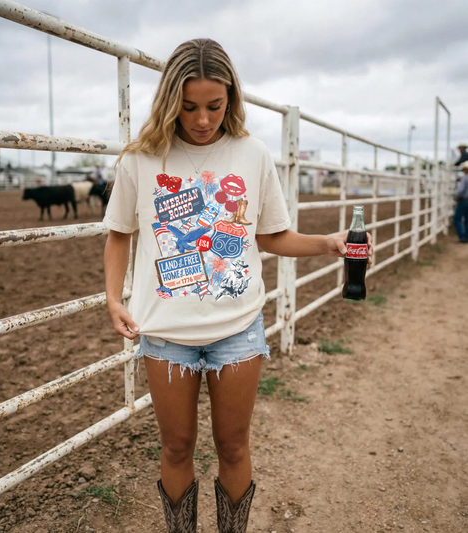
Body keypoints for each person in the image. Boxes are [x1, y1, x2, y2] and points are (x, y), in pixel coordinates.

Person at [102, 38, 373, 533]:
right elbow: (120, 234)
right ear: (169, 102)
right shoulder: (139, 159)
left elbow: (271, 235)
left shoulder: (253, 154)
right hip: (164, 333)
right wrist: (112, 299)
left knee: (233, 445)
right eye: (188, 107)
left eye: (214, 106)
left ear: (231, 99)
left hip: (239, 330)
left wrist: (328, 244)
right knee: (177, 446)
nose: (202, 119)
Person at [453, 161, 468, 243]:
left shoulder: (465, 178)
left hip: (464, 201)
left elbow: (460, 190)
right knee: (467, 220)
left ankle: (462, 236)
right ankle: (466, 237)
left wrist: (456, 197)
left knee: (457, 218)